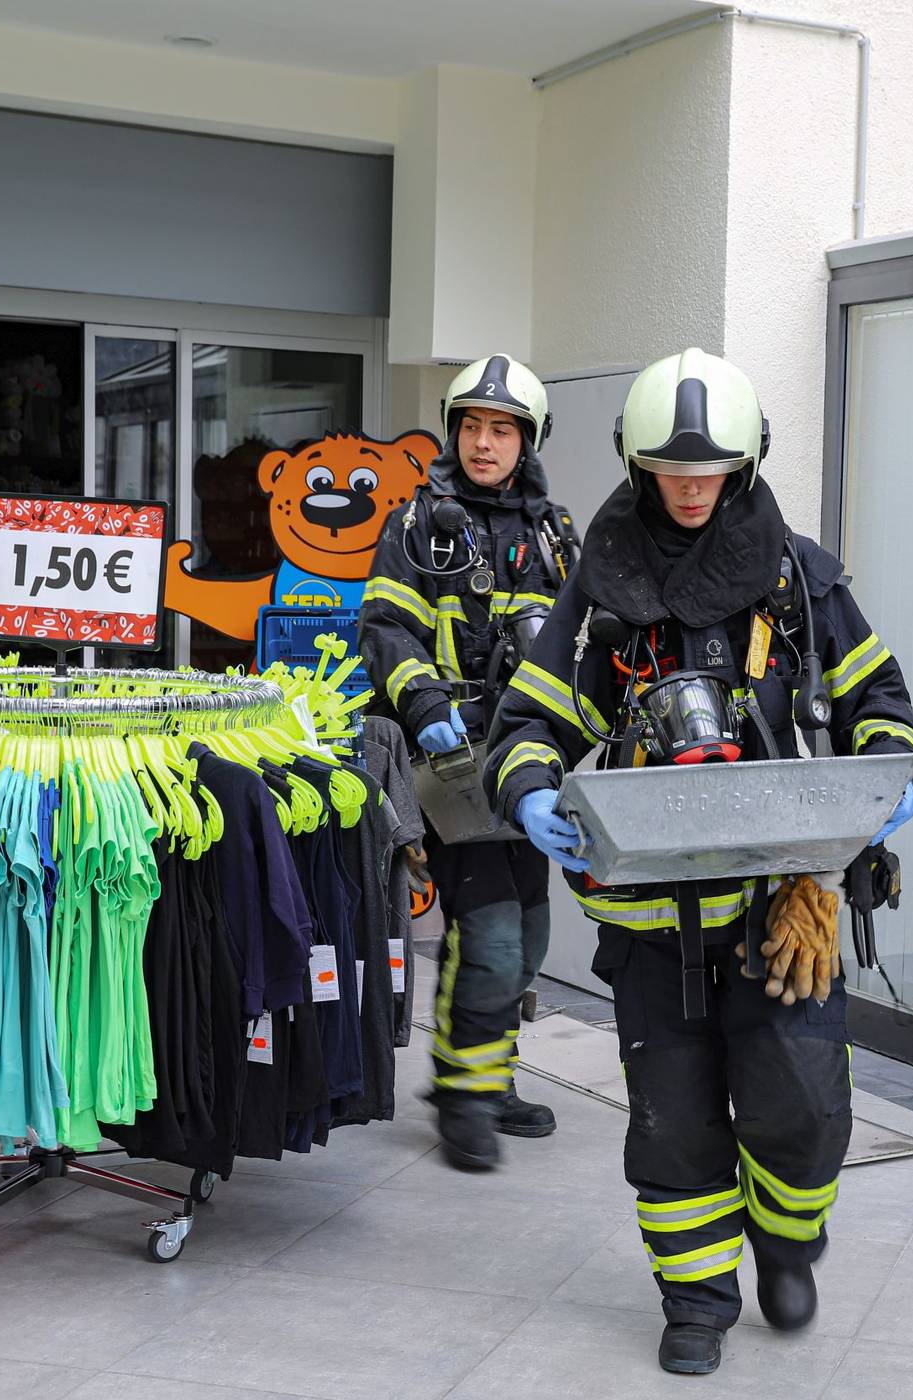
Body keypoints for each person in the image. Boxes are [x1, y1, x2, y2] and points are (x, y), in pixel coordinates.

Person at [481, 348, 913, 1375]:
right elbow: (532, 718)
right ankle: (696, 1301)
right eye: (672, 468)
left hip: (784, 911)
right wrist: (534, 789)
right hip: (650, 924)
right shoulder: (605, 587)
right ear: (637, 465)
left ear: (746, 464)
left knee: (803, 1105)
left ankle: (791, 1235)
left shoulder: (800, 578)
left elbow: (879, 704)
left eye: (711, 468)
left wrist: (888, 780)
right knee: (674, 1127)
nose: (691, 484)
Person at [358, 354, 579, 1171]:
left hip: (533, 763)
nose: (485, 443)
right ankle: (461, 1095)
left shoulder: (556, 533)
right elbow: (386, 630)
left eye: (503, 429)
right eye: (474, 426)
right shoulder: (418, 524)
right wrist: (425, 707)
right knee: (485, 933)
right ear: (455, 432)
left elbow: (584, 640)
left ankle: (489, 1073)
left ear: (529, 439)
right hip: (452, 765)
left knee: (527, 933)